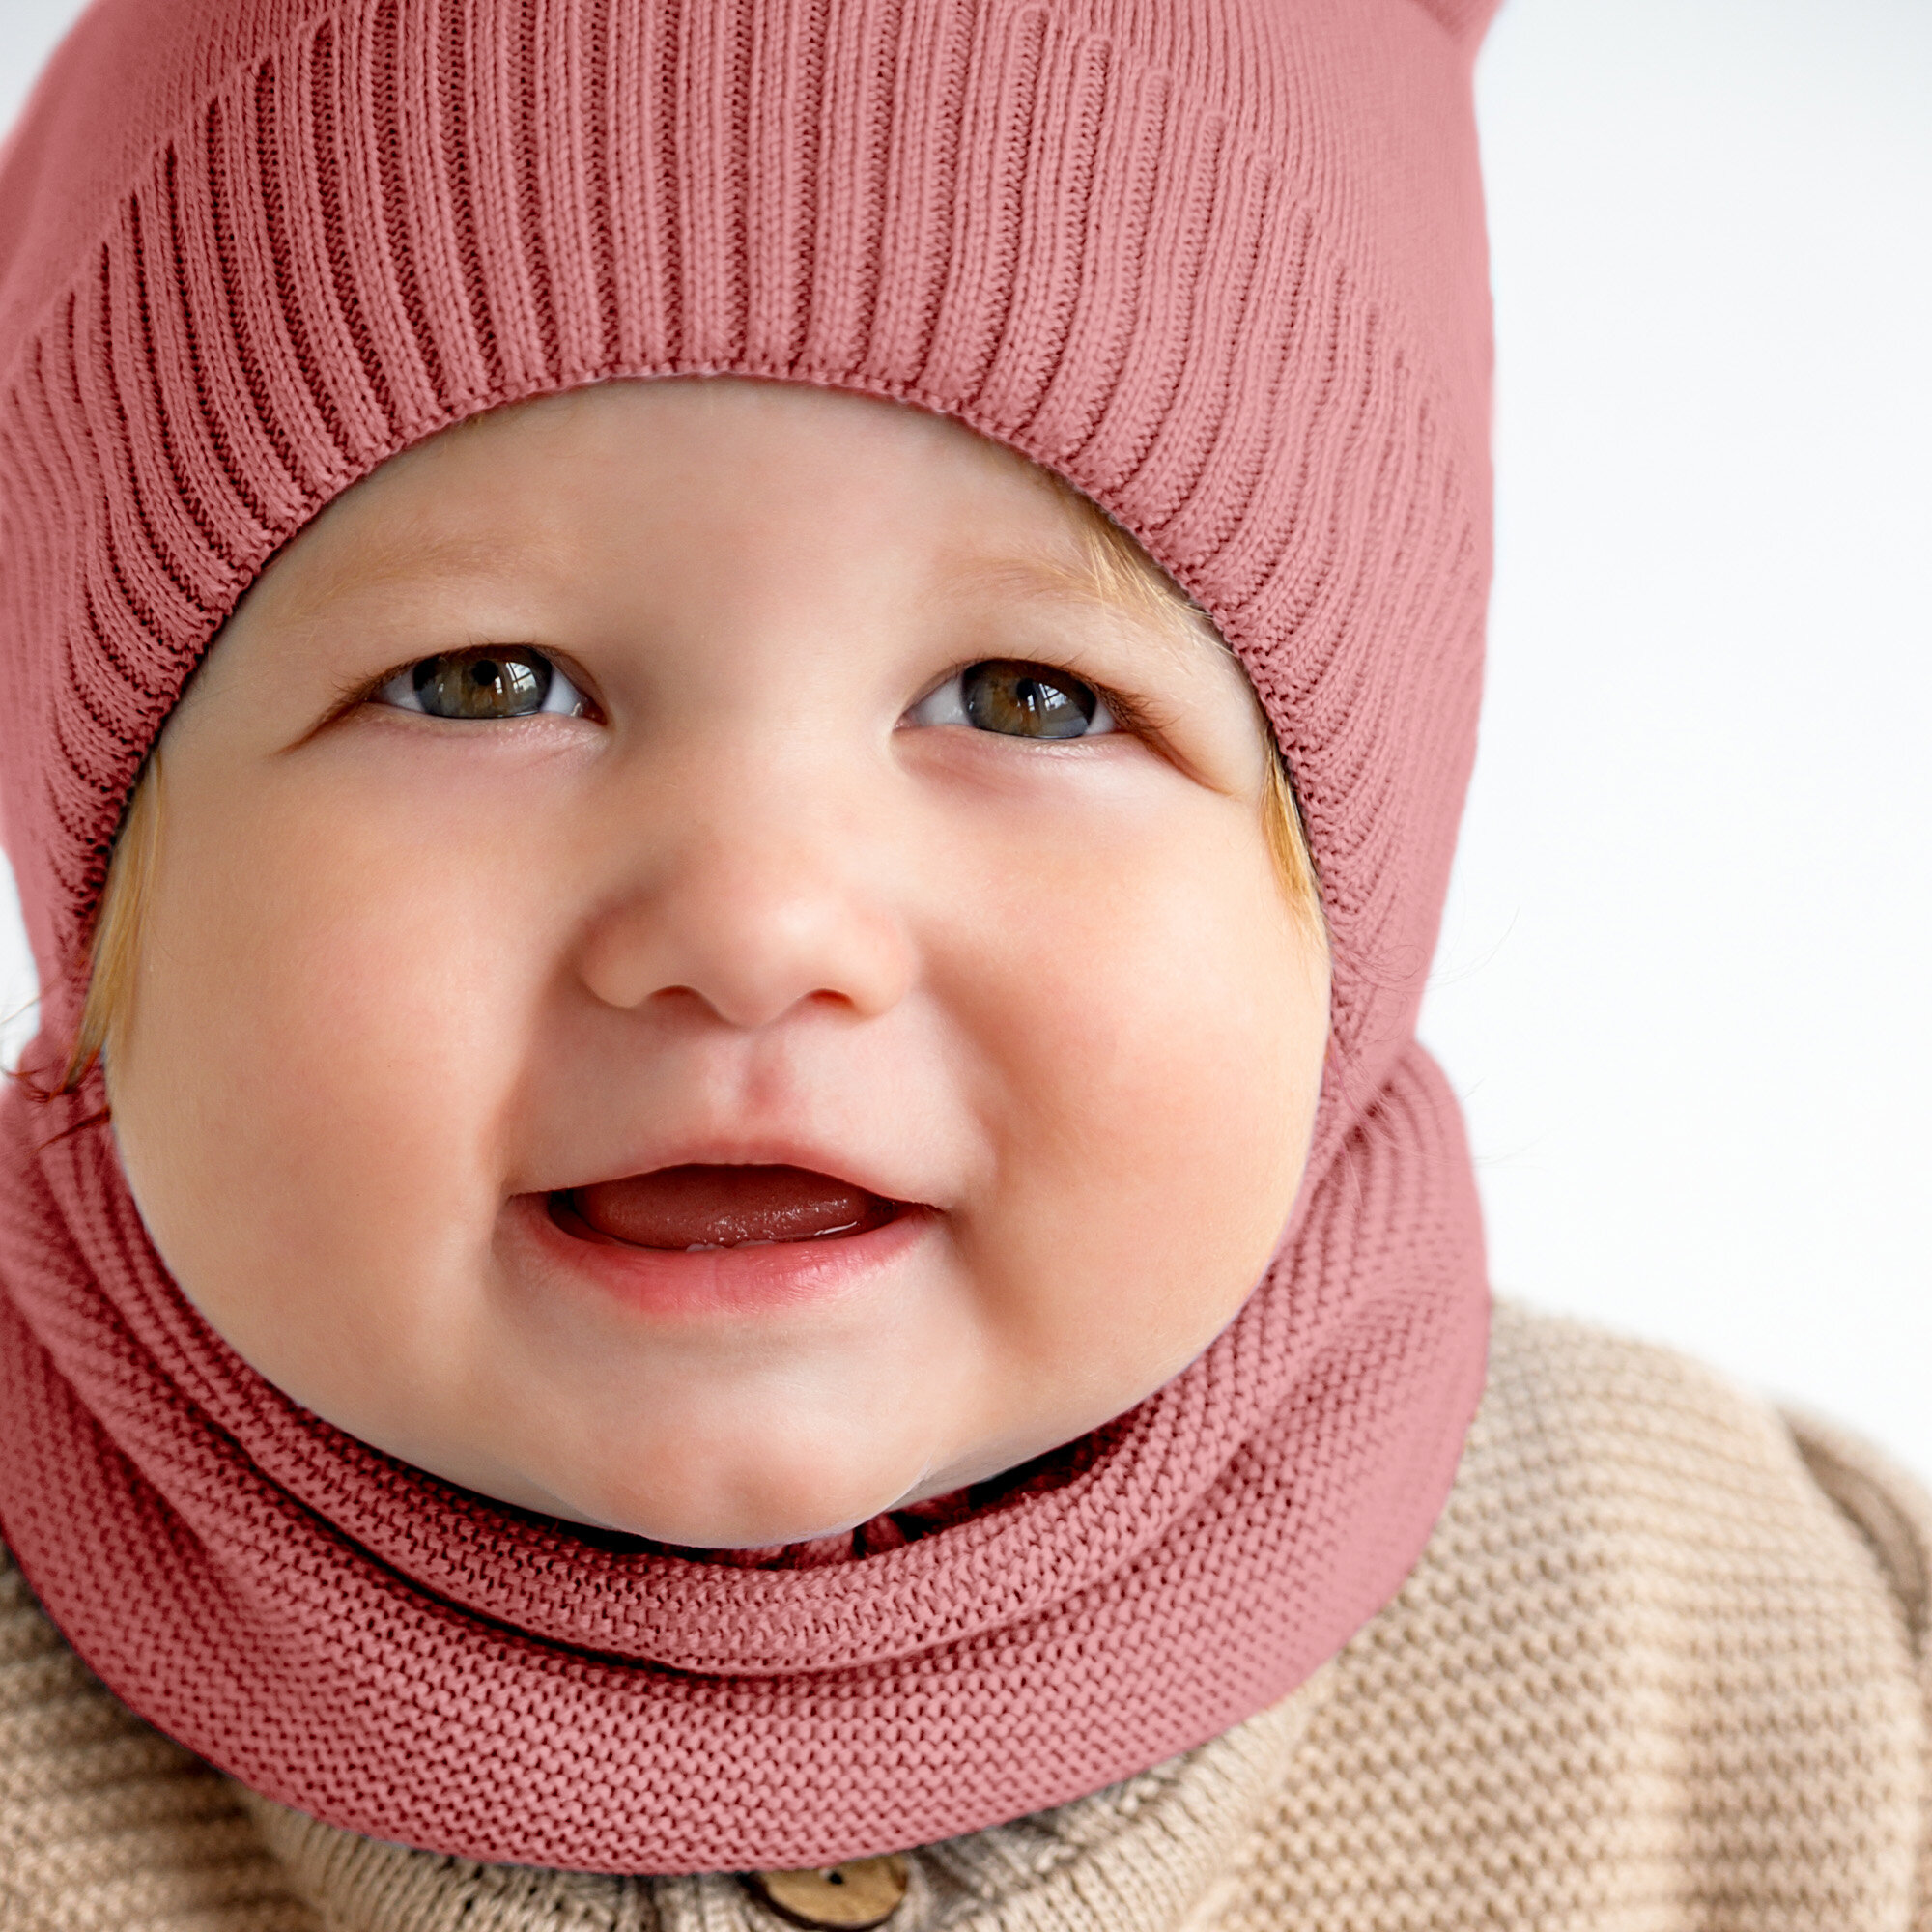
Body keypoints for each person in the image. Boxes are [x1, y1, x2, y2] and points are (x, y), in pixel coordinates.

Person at [0, 0, 1924, 1925]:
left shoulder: (1768, 1677)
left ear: (1353, 896)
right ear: (98, 871)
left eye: (1029, 697)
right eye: (481, 683)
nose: (756, 929)